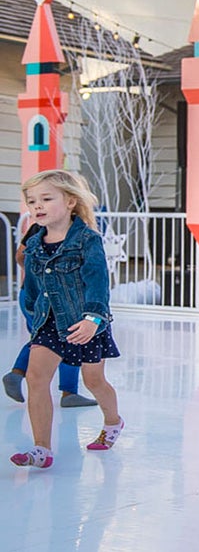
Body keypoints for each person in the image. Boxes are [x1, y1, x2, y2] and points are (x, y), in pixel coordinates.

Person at [11, 170, 123, 469]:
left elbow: (98, 282)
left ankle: (113, 421)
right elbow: (33, 285)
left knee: (94, 380)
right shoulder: (34, 242)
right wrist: (34, 315)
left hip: (85, 321)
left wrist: (93, 320)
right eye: (32, 201)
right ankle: (42, 448)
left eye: (47, 198)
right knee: (36, 379)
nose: (38, 206)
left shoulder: (87, 240)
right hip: (49, 322)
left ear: (71, 201)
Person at [3, 222, 98, 408]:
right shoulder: (76, 234)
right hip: (51, 297)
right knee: (66, 339)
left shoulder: (39, 230)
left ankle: (17, 373)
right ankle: (68, 391)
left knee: (45, 338)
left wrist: (38, 273)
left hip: (32, 294)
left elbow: (20, 256)